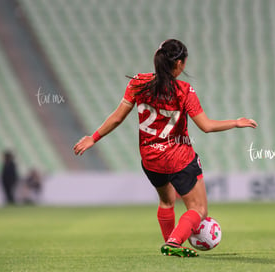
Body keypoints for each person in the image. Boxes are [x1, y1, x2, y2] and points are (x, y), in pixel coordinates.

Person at [73, 39, 257, 257]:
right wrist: (235, 122)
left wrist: (93, 138)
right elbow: (206, 126)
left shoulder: (138, 83)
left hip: (150, 159)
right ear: (179, 63)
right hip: (178, 157)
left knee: (166, 201)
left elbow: (117, 118)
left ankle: (170, 243)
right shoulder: (184, 90)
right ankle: (174, 242)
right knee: (198, 209)